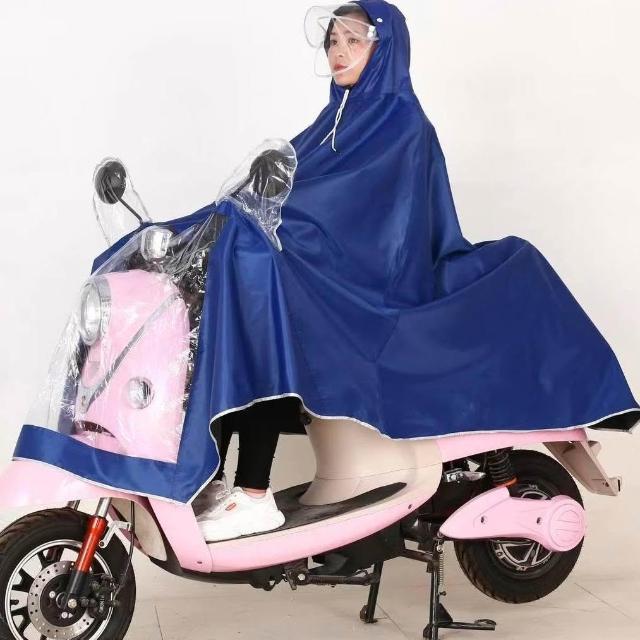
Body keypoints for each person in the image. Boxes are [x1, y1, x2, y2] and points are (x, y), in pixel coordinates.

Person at [194, 3, 378, 542]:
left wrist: (293, 236)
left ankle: (254, 492)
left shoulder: (401, 125)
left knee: (265, 309)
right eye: (332, 42)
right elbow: (284, 185)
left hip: (369, 286)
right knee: (232, 297)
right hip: (328, 272)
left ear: (384, 49)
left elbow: (377, 221)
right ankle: (212, 477)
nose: (339, 52)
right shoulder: (335, 121)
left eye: (353, 41)